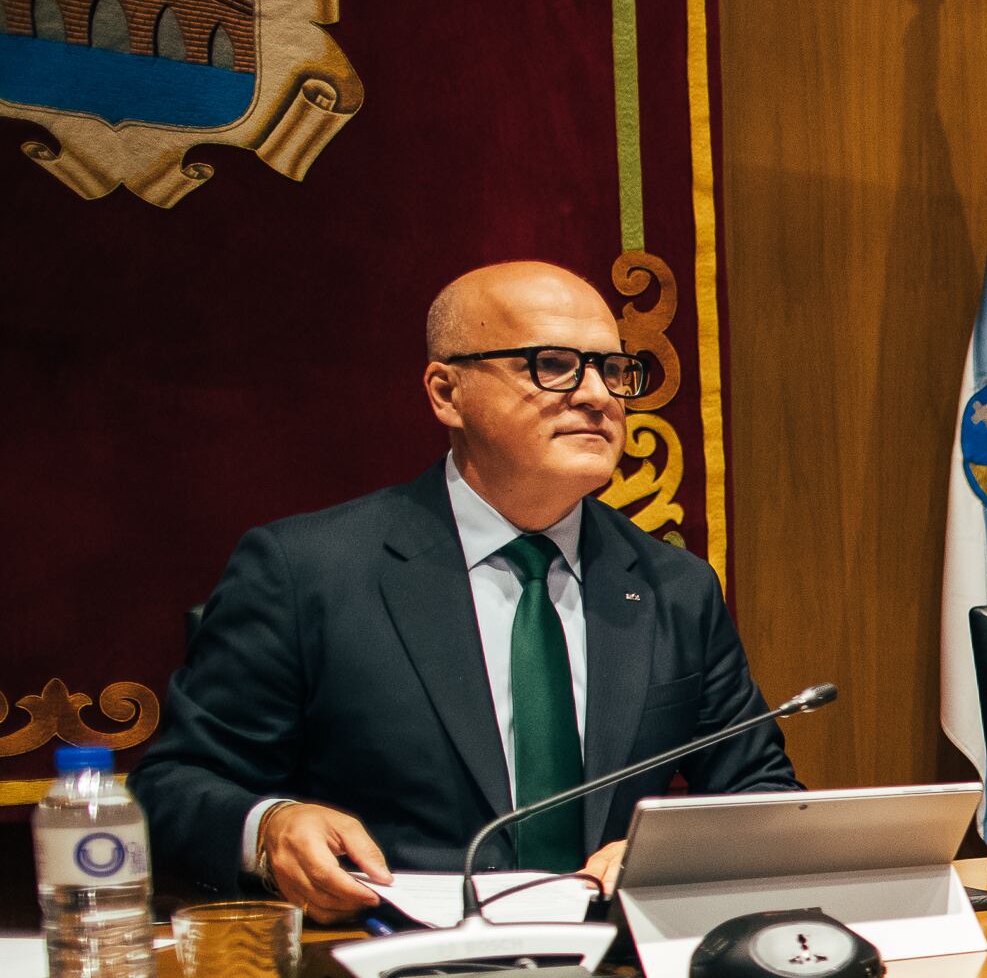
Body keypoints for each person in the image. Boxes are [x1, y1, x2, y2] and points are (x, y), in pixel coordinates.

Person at [135, 261, 797, 916]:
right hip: (388, 968)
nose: (599, 396)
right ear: (447, 393)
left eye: (614, 370)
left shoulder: (673, 586)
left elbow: (761, 793)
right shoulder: (307, 569)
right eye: (554, 365)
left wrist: (668, 859)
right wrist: (272, 825)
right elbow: (171, 787)